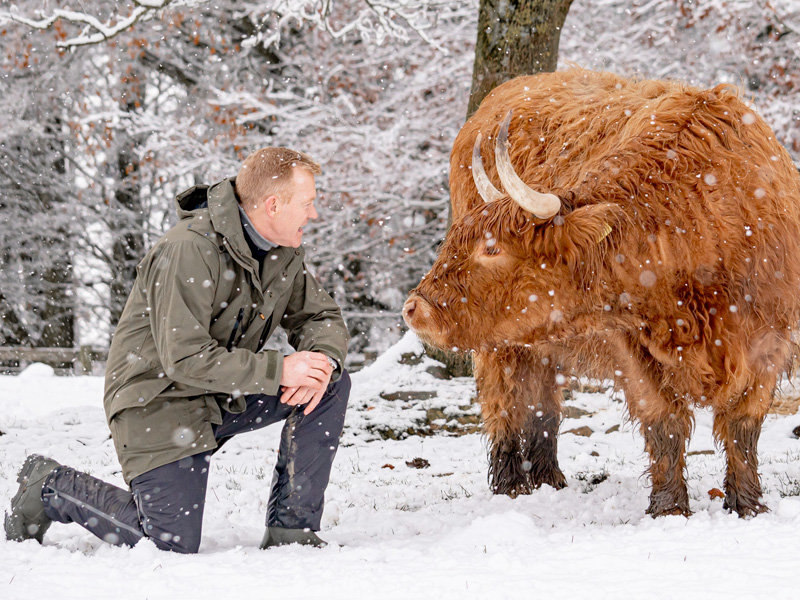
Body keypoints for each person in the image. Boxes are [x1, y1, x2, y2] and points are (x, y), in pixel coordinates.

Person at [4, 147, 351, 553]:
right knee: (168, 543)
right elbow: (183, 357)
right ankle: (49, 485)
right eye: (307, 203)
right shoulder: (189, 249)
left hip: (220, 391)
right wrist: (280, 371)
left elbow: (320, 317)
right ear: (273, 205)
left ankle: (292, 533)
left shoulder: (282, 253)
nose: (313, 214)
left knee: (325, 381)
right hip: (157, 401)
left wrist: (322, 359)